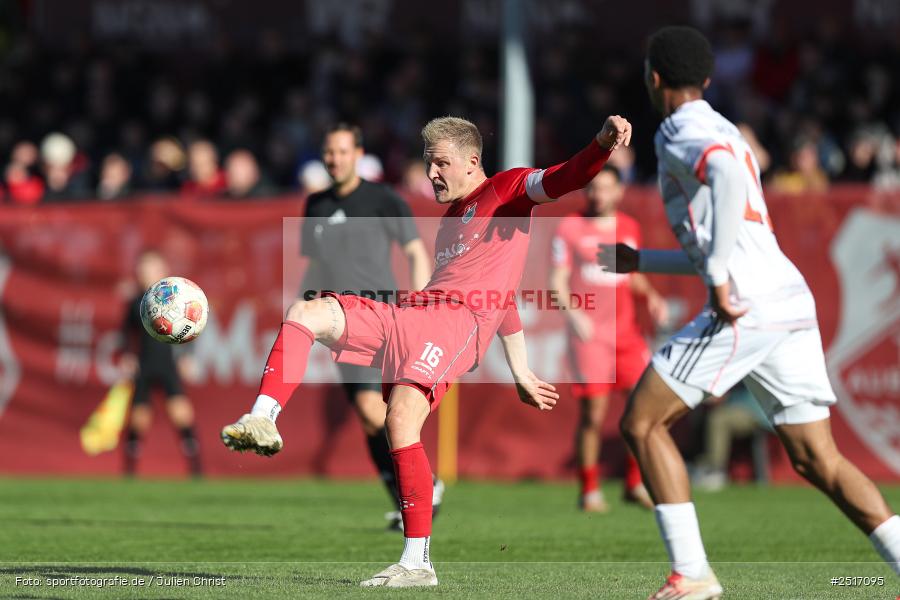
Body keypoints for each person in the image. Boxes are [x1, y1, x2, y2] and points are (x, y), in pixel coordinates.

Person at [222, 114, 633, 587]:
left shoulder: (508, 190)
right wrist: (520, 369)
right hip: (413, 313)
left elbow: (567, 176)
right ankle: (263, 417)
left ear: (472, 161)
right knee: (304, 313)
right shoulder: (451, 219)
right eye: (428, 164)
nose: (432, 174)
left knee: (399, 419)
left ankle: (417, 562)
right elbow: (502, 297)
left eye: (441, 164)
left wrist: (601, 143)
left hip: (455, 322)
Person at [600, 26, 899, 598]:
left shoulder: (680, 129)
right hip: (785, 296)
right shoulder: (725, 128)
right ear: (708, 80)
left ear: (653, 77)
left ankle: (692, 575)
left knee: (642, 423)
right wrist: (643, 261)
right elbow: (727, 237)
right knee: (818, 459)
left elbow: (728, 186)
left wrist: (715, 281)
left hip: (749, 305)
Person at [299, 123, 437, 530]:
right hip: (337, 321)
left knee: (374, 410)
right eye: (329, 152)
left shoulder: (383, 199)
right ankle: (407, 495)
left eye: (342, 151)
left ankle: (420, 487)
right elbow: (316, 265)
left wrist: (421, 303)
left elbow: (415, 252)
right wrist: (302, 309)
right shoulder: (316, 205)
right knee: (369, 416)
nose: (334, 159)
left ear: (358, 154)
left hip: (381, 317)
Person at [550, 165, 667, 513]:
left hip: (627, 335)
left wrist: (653, 295)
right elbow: (556, 282)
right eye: (593, 188)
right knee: (594, 415)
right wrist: (574, 315)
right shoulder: (570, 227)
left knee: (645, 407)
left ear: (619, 191)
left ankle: (634, 483)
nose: (598, 194)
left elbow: (630, 276)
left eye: (605, 188)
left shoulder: (629, 227)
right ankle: (589, 490)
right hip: (591, 336)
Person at [120, 251, 202, 477]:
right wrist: (128, 355)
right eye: (143, 270)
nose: (146, 274)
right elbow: (126, 333)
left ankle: (196, 467)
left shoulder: (178, 300)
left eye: (152, 269)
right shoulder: (137, 302)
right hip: (144, 366)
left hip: (167, 365)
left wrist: (187, 355)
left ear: (163, 271)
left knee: (181, 414)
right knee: (138, 418)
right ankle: (129, 469)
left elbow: (192, 328)